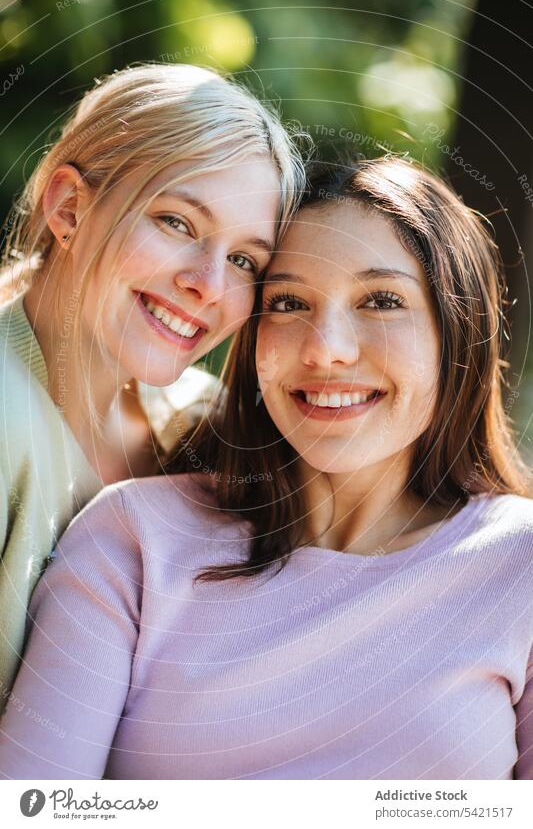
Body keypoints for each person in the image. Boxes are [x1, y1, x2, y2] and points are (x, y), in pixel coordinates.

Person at [1, 157, 531, 780]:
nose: (326, 348)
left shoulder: (518, 565)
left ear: (456, 330)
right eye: (287, 302)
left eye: (382, 300)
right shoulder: (132, 540)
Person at [0, 62, 306, 706]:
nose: (210, 285)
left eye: (245, 260)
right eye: (177, 223)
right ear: (69, 208)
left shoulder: (204, 424)